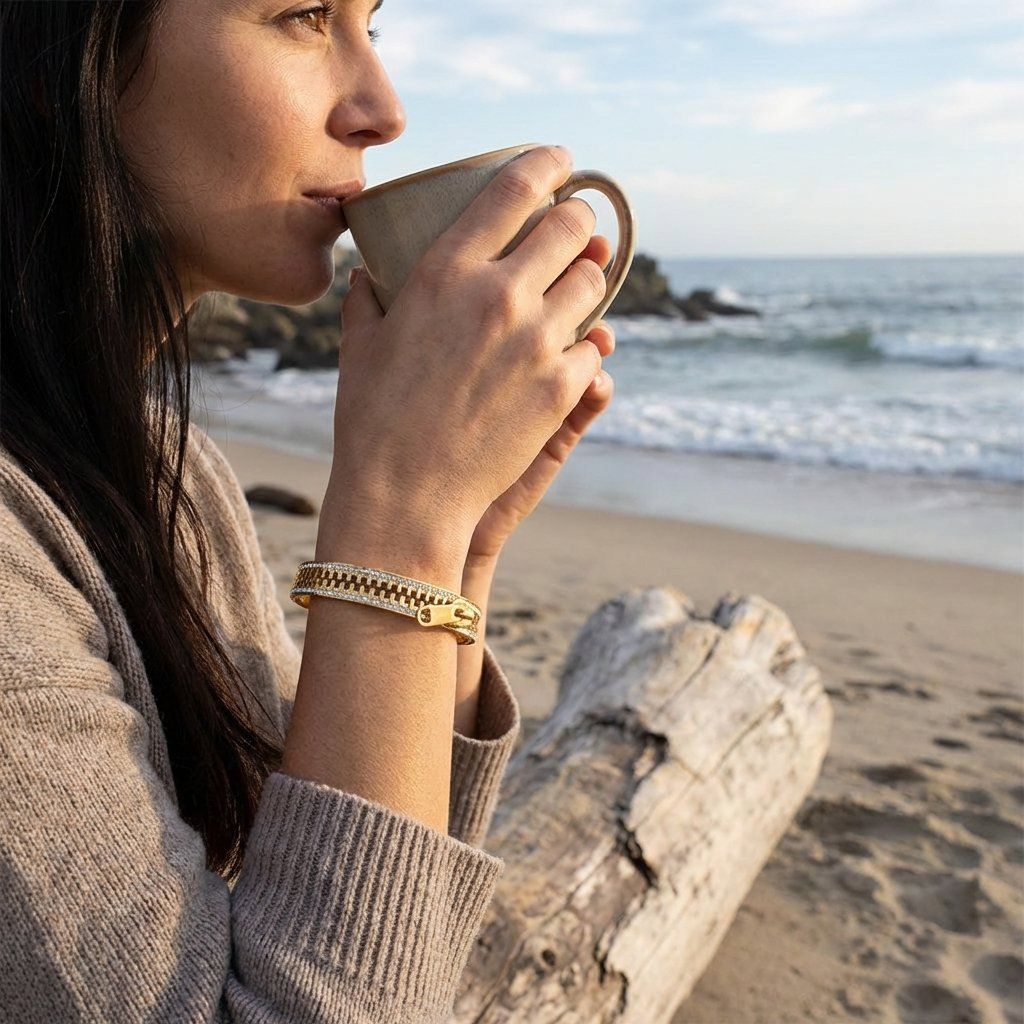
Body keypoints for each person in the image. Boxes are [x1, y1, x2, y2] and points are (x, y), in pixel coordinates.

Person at [0, 1, 617, 1020]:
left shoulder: (180, 478)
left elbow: (378, 917)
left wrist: (455, 550)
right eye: (301, 16)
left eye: (374, 27)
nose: (383, 108)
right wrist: (400, 522)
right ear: (60, 56)